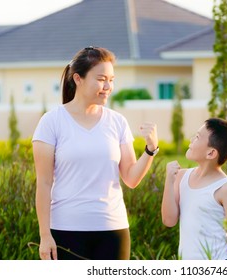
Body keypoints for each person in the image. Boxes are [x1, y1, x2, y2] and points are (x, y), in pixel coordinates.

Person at [32, 46, 159, 260]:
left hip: (113, 230)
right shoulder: (51, 122)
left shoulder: (117, 122)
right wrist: (45, 235)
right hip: (66, 229)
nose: (108, 86)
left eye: (112, 79)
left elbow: (131, 178)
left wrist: (151, 149)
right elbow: (44, 183)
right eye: (101, 79)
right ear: (78, 79)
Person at [161, 118, 227, 260]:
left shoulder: (226, 188)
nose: (191, 140)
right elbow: (169, 220)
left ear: (211, 153)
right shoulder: (181, 177)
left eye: (197, 137)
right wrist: (169, 180)